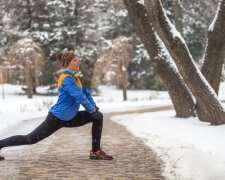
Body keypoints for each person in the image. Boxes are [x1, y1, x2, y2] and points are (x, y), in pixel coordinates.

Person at [0, 51, 113, 161]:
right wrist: (92, 110)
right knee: (30, 139)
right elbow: (79, 96)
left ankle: (95, 151)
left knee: (98, 117)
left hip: (70, 117)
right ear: (67, 63)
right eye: (75, 61)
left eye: (77, 60)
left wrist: (93, 108)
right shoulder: (66, 79)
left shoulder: (75, 79)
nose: (78, 63)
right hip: (56, 118)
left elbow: (86, 93)